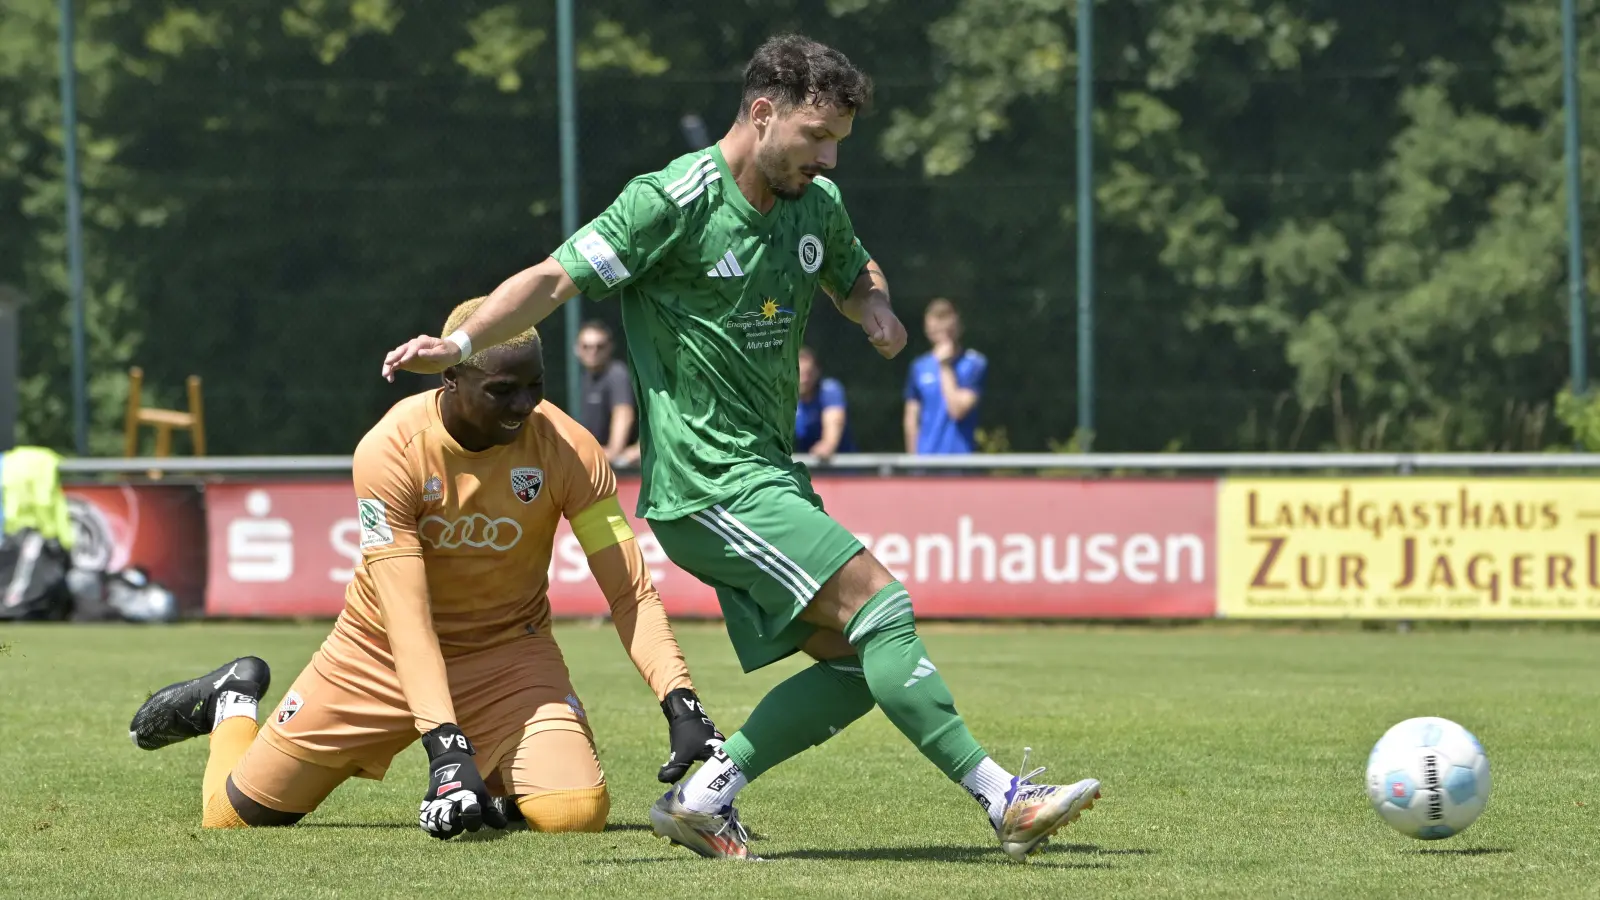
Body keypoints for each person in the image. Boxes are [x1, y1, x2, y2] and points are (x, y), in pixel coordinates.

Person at [379, 34, 1099, 862]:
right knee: (883, 606)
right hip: (709, 483)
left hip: (767, 479)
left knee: (858, 664)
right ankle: (1003, 798)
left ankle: (704, 795)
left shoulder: (814, 205)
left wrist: (873, 308)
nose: (827, 160)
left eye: (838, 144)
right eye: (815, 138)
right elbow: (551, 280)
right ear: (763, 113)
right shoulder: (672, 201)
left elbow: (855, 270)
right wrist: (458, 341)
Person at [130, 298, 722, 839]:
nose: (525, 405)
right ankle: (232, 699)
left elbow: (630, 592)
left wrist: (680, 701)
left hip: (509, 655)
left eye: (535, 385)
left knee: (574, 813)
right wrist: (445, 748)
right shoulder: (390, 451)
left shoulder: (571, 449)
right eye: (502, 389)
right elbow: (409, 617)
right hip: (376, 656)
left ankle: (488, 787)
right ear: (452, 377)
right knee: (232, 819)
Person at [904, 298, 987, 455]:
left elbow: (957, 410)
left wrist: (945, 366)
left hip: (961, 463)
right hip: (926, 463)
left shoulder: (975, 363)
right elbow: (911, 419)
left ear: (958, 326)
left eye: (945, 319)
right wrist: (912, 463)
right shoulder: (919, 367)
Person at [575, 320, 640, 468]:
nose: (593, 351)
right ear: (577, 349)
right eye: (586, 346)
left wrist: (613, 453)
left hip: (623, 467)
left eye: (600, 346)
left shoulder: (617, 374)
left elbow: (623, 413)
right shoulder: (585, 378)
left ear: (610, 347)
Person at [794, 345, 853, 461]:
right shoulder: (783, 397)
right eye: (799, 373)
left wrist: (827, 444)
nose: (804, 379)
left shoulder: (829, 390)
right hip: (802, 468)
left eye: (808, 373)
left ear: (817, 372)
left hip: (841, 468)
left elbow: (833, 426)